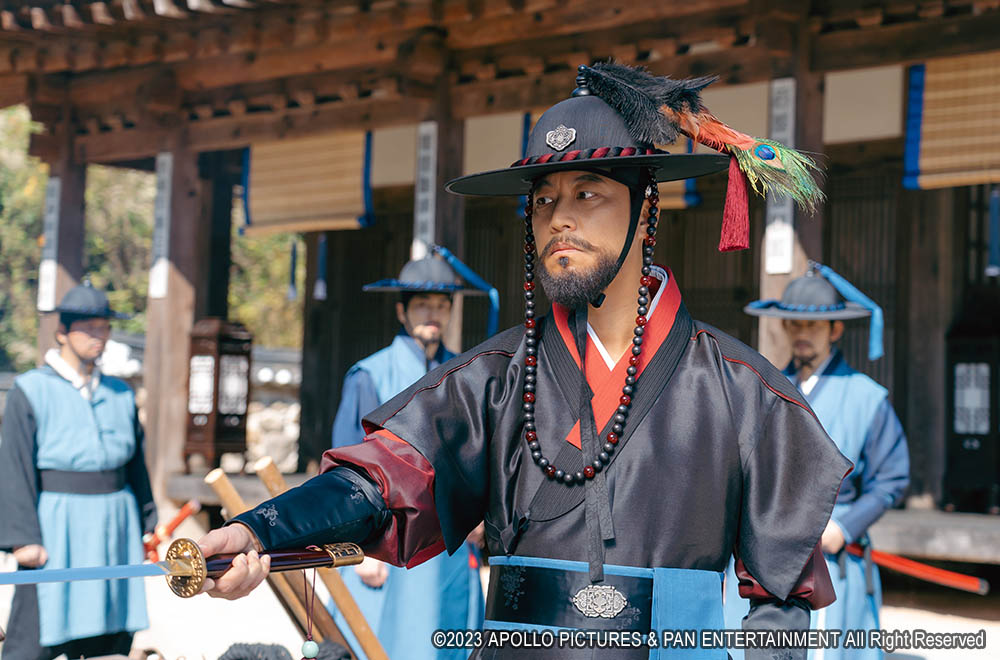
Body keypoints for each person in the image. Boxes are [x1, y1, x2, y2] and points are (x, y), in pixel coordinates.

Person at [197, 63, 852, 660]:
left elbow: (783, 597)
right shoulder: (495, 377)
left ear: (645, 208)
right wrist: (262, 530)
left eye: (587, 193)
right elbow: (382, 483)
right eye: (543, 199)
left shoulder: (747, 392)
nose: (558, 218)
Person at [725, 262, 910, 659]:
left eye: (812, 325)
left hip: (833, 553)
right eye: (794, 324)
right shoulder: (767, 389)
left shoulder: (866, 396)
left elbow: (891, 479)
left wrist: (844, 526)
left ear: (835, 330)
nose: (802, 333)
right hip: (768, 552)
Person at [328, 256, 484, 660]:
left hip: (447, 546)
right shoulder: (370, 375)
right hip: (383, 543)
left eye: (442, 305)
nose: (433, 314)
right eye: (422, 305)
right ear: (401, 310)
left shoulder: (464, 374)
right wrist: (357, 548)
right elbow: (345, 474)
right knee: (381, 642)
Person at [0, 282, 156, 660]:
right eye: (88, 328)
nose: (98, 337)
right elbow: (13, 464)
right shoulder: (31, 389)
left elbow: (136, 465)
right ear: (62, 332)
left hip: (114, 522)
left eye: (104, 328)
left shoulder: (120, 393)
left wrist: (147, 521)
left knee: (112, 628)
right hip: (56, 523)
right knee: (35, 636)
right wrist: (23, 538)